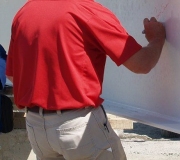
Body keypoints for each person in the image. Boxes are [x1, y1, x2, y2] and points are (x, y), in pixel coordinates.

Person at [6, 0, 165, 159]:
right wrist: (157, 38)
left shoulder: (25, 12)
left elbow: (12, 75)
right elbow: (141, 63)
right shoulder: (87, 11)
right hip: (77, 126)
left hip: (36, 128)